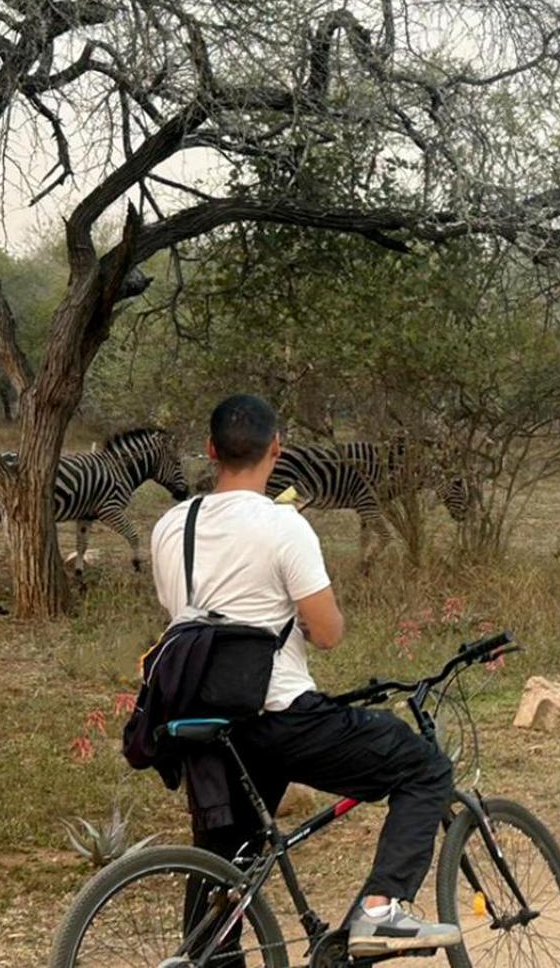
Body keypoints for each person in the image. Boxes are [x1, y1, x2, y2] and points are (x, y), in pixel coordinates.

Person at [150, 394, 459, 953]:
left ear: (211, 450)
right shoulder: (284, 526)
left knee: (225, 866)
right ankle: (379, 909)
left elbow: (180, 613)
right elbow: (327, 632)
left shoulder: (172, 525)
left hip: (201, 722)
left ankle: (202, 956)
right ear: (276, 448)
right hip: (277, 715)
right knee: (426, 769)